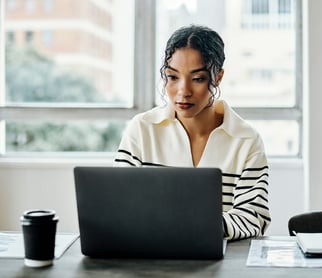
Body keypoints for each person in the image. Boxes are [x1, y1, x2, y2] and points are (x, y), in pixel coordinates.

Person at [113, 25, 270, 240]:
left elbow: (254, 217)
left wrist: (192, 227)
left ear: (218, 77)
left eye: (197, 79)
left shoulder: (246, 140)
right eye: (172, 77)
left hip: (222, 265)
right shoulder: (142, 129)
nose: (183, 91)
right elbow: (118, 206)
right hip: (151, 261)